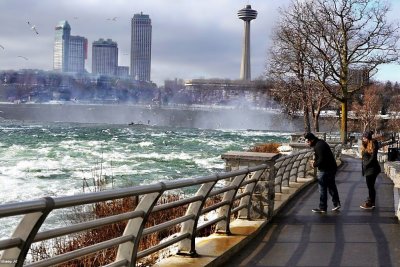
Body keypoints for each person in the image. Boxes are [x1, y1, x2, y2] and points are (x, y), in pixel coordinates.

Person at [305, 132, 341, 213]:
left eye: (308, 141)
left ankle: (322, 207)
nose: (307, 143)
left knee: (322, 188)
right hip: (331, 167)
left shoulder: (318, 146)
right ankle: (336, 203)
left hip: (325, 169)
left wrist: (314, 164)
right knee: (331, 186)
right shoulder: (320, 143)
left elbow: (321, 159)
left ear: (311, 140)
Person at [360, 130, 381, 209]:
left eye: (365, 138)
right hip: (368, 169)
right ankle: (372, 202)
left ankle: (370, 202)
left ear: (368, 138)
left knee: (370, 186)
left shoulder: (373, 145)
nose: (363, 139)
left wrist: (366, 164)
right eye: (363, 138)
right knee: (370, 186)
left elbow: (373, 158)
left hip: (372, 169)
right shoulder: (365, 145)